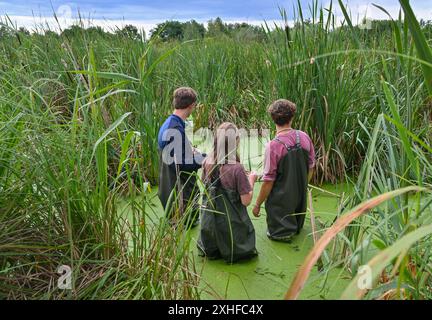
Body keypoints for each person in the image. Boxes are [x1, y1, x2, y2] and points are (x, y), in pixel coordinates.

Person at [252, 99, 315, 241]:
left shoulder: (273, 146)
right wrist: (302, 185)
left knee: (278, 236)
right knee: (297, 226)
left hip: (280, 208)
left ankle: (282, 233)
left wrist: (257, 205)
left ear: (273, 118)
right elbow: (311, 167)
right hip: (299, 197)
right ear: (292, 117)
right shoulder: (304, 137)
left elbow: (268, 182)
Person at [198, 122, 258, 263]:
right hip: (231, 229)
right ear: (235, 141)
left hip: (210, 225)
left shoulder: (207, 161)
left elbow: (204, 184)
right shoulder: (236, 168)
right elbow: (246, 201)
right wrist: (252, 179)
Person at [157, 87, 206, 228]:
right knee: (188, 225)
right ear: (192, 105)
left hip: (172, 193)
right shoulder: (174, 129)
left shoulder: (170, 123)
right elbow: (182, 165)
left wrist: (189, 149)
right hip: (180, 199)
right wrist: (205, 158)